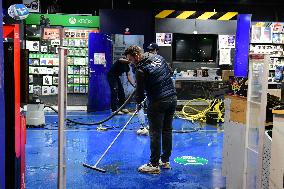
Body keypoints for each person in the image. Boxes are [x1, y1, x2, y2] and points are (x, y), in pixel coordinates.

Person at [124, 45, 177, 174]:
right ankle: (164, 161)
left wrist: (138, 104)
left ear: (136, 56)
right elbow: (169, 72)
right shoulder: (159, 57)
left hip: (158, 102)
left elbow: (140, 92)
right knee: (167, 130)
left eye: (131, 59)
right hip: (172, 98)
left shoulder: (140, 70)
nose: (130, 62)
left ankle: (153, 164)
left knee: (155, 133)